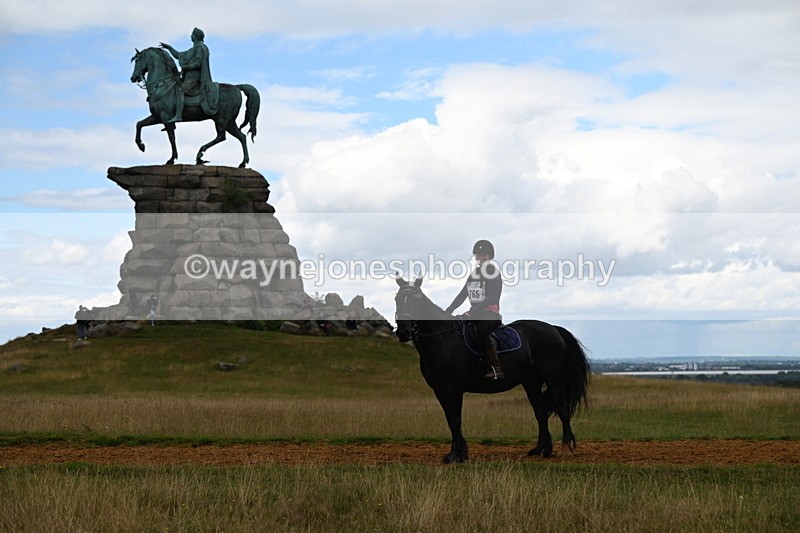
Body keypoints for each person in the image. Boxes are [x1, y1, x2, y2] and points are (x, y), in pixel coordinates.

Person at [445, 240, 504, 379]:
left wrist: (473, 311)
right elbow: (463, 293)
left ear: (490, 256)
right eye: (479, 255)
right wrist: (450, 309)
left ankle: (497, 368)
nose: (481, 257)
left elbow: (492, 297)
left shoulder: (493, 273)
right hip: (476, 312)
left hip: (490, 313)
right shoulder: (474, 274)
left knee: (481, 330)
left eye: (484, 254)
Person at [160, 28, 219, 122]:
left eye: (192, 34)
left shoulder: (201, 47)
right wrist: (169, 48)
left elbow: (198, 63)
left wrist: (186, 67)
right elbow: (179, 55)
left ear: (196, 36)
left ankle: (178, 115)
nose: (190, 36)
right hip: (188, 77)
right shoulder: (192, 49)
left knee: (180, 90)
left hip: (195, 78)